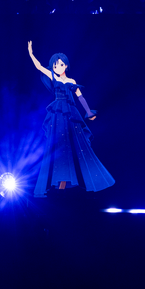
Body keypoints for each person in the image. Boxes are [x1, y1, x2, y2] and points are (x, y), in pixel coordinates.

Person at [28, 40, 115, 197]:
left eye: (60, 64)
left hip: (70, 114)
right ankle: (59, 183)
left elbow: (81, 98)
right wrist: (31, 53)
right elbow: (39, 67)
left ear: (66, 65)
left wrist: (88, 112)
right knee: (57, 146)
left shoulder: (72, 82)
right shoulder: (53, 77)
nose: (58, 67)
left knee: (77, 146)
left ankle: (80, 181)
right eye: (55, 66)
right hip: (57, 114)